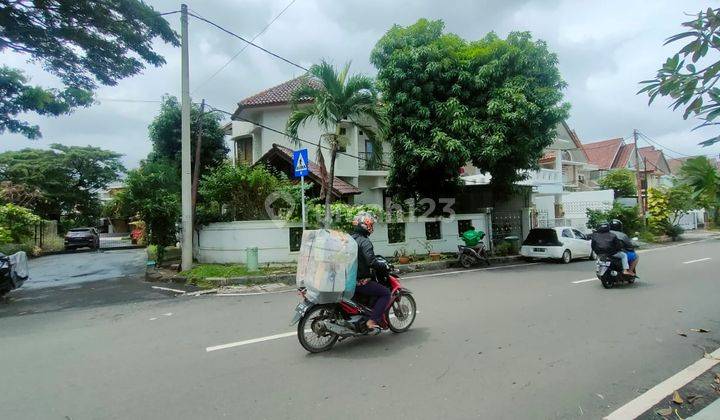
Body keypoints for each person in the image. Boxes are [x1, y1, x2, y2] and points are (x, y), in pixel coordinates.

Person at [350, 212, 390, 332]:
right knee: (385, 293)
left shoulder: (349, 239)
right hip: (359, 281)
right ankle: (372, 321)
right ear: (365, 226)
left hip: (347, 280)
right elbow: (371, 262)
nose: (371, 227)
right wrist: (383, 266)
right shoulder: (364, 241)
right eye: (370, 225)